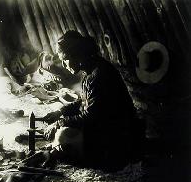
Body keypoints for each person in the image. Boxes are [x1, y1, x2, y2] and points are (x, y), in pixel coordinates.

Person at [26, 30, 144, 172]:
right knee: (64, 134)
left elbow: (91, 116)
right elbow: (84, 100)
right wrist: (60, 112)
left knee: (63, 137)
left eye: (65, 59)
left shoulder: (99, 75)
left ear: (77, 55)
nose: (63, 64)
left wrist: (61, 122)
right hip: (105, 125)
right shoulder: (91, 70)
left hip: (116, 132)